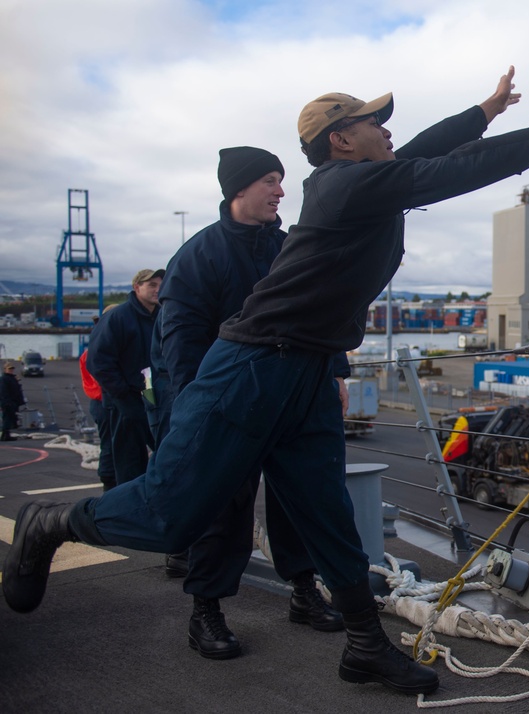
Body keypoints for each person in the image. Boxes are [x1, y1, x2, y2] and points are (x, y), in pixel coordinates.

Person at [3, 67, 529, 695]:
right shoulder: (342, 188)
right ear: (340, 141)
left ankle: (364, 646)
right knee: (170, 518)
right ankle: (52, 523)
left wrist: (482, 113)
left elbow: (426, 153)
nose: (386, 130)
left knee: (326, 515)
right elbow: (438, 172)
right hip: (251, 368)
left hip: (308, 370)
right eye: (371, 122)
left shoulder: (367, 179)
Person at [151, 146, 346, 659]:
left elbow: (320, 313)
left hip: (294, 399)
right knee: (224, 507)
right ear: (237, 188)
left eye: (281, 180)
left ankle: (304, 593)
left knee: (298, 500)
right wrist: (198, 408)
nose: (281, 190)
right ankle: (207, 612)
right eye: (269, 180)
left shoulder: (289, 246)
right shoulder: (198, 256)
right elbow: (181, 344)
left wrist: (337, 374)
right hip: (227, 406)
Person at [86, 270, 163, 485]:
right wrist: (121, 393)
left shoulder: (161, 316)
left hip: (152, 396)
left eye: (160, 284)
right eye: (151, 285)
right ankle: (124, 509)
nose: (158, 289)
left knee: (165, 452)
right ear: (137, 287)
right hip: (125, 401)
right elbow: (98, 361)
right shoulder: (118, 317)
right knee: (128, 462)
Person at [79, 344, 116, 491]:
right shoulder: (97, 354)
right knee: (110, 444)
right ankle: (109, 480)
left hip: (97, 401)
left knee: (108, 443)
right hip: (104, 401)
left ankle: (109, 479)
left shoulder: (87, 355)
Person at [1, 361, 26, 441]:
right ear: (5, 369)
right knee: (7, 419)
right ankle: (4, 435)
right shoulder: (4, 379)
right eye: (9, 369)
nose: (11, 370)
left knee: (10, 419)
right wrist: (7, 402)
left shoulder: (12, 378)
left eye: (12, 368)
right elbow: (3, 392)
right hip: (8, 402)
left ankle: (6, 435)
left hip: (13, 402)